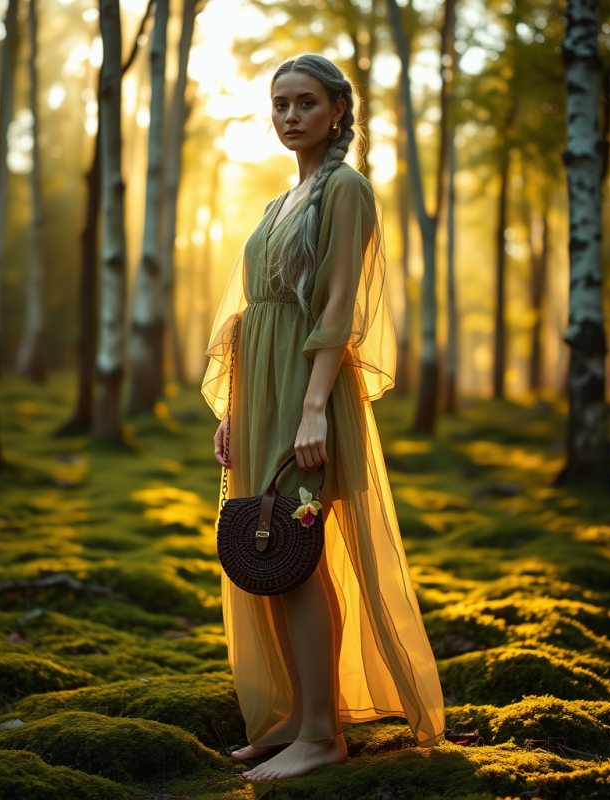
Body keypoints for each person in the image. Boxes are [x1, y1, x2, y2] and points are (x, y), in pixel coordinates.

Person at [201, 53, 445, 782]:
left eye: (305, 103)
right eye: (279, 104)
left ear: (339, 109)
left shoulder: (346, 189)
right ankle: (290, 719)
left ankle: (322, 733)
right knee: (269, 558)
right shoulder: (282, 200)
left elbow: (341, 308)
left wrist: (312, 410)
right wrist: (237, 409)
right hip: (265, 393)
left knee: (299, 559)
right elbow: (254, 315)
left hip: (310, 395)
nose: (289, 116)